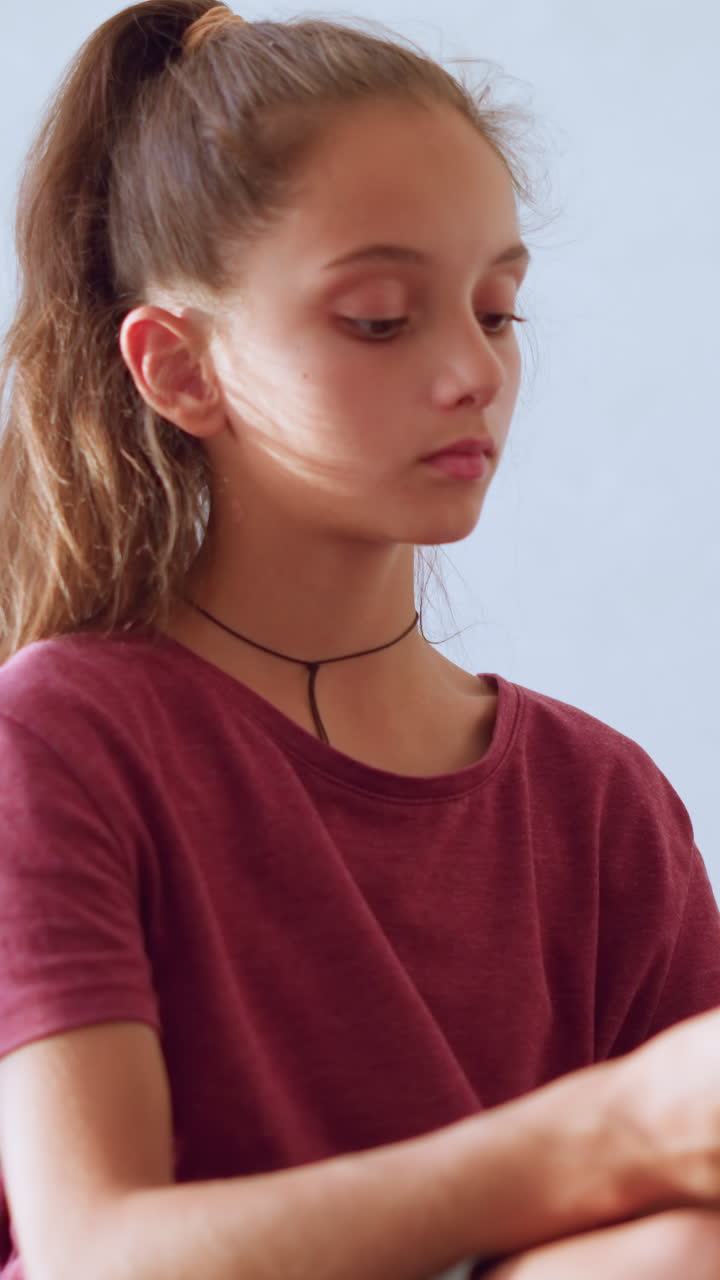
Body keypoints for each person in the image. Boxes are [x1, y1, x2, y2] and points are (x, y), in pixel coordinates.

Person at [0, 2, 720, 1277]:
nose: (473, 375)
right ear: (178, 369)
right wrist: (605, 1135)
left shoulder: (600, 802)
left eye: (498, 311)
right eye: (382, 318)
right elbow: (93, 1251)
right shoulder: (56, 736)